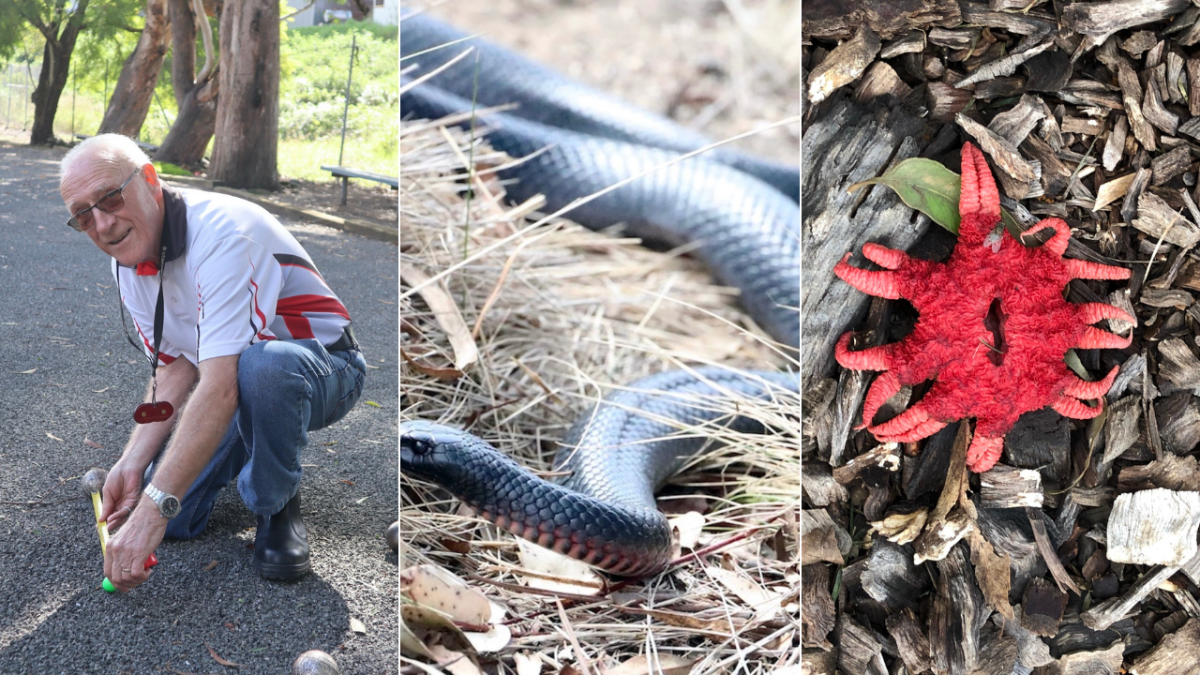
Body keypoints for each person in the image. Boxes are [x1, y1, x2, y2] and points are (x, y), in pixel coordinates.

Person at [59, 134, 367, 591]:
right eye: (84, 215)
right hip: (236, 378)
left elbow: (221, 385)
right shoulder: (128, 256)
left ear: (149, 179)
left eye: (109, 198)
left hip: (323, 368)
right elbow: (174, 368)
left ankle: (275, 503)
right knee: (174, 519)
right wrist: (132, 464)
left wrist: (152, 508)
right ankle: (254, 444)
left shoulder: (225, 234)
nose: (102, 224)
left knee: (263, 367)